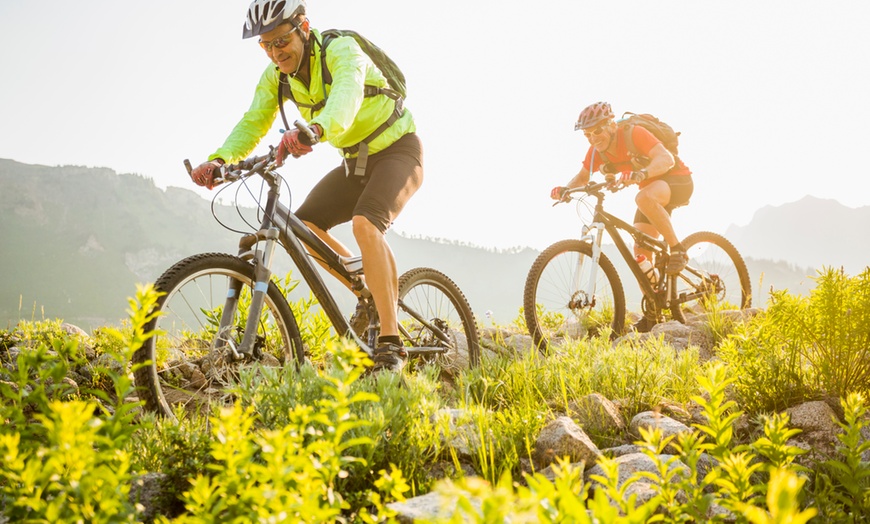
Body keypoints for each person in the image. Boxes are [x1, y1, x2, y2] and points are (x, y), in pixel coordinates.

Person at [189, 0, 423, 373]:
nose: (275, 52)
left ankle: (391, 344)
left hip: (398, 151)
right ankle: (367, 290)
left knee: (366, 223)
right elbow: (254, 122)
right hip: (355, 162)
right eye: (265, 46)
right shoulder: (276, 76)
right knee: (305, 226)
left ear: (304, 28)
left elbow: (347, 97)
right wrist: (220, 160)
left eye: (281, 41)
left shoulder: (342, 50)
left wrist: (316, 130)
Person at [549, 101, 693, 332]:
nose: (593, 138)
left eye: (597, 130)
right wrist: (566, 189)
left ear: (611, 125)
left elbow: (667, 159)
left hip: (677, 181)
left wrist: (641, 173)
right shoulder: (596, 151)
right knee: (641, 252)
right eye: (587, 134)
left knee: (643, 198)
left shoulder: (634, 134)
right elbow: (584, 175)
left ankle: (678, 250)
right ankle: (654, 313)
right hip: (651, 190)